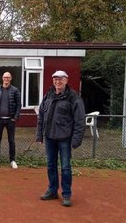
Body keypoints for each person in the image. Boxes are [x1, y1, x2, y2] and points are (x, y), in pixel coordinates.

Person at [36, 70, 85, 207]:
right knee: (51, 165)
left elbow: (80, 120)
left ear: (66, 80)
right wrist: (39, 135)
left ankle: (67, 194)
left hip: (65, 138)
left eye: (60, 79)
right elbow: (41, 116)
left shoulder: (73, 97)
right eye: (55, 79)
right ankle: (52, 190)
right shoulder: (48, 96)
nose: (57, 82)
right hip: (50, 137)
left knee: (65, 167)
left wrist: (76, 140)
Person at [0, 72, 22, 169]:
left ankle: (12, 160)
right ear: (2, 78)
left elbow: (19, 105)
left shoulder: (15, 90)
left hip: (10, 120)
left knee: (11, 140)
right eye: (4, 77)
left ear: (11, 78)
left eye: (8, 77)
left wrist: (15, 117)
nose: (6, 79)